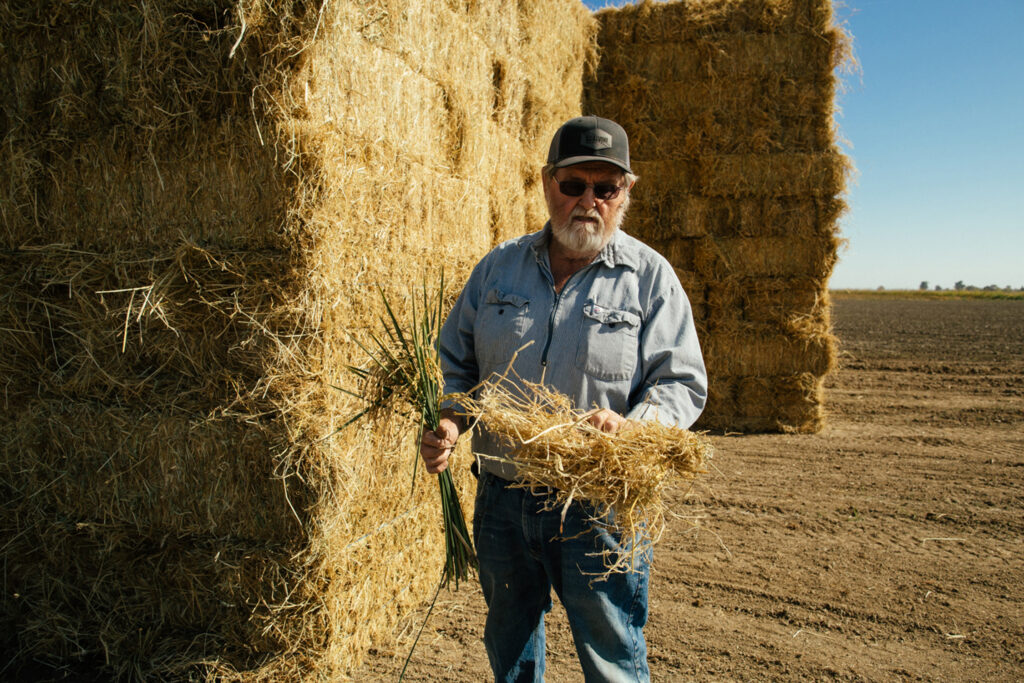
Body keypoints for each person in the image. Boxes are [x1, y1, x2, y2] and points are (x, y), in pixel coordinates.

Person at [420, 115, 707, 682]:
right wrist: (450, 423)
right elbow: (458, 364)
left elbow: (681, 382)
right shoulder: (499, 268)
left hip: (597, 505)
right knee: (510, 650)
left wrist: (632, 426)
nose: (589, 201)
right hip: (503, 497)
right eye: (574, 184)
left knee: (611, 656)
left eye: (606, 188)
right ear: (547, 182)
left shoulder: (649, 277)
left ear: (626, 192)